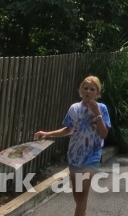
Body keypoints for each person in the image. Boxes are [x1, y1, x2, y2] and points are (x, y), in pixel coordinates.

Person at [34, 76, 111, 216]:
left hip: (92, 154)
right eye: (85, 88)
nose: (88, 91)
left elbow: (103, 134)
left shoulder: (102, 109)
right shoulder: (74, 108)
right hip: (75, 154)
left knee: (84, 188)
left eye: (92, 89)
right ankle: (82, 212)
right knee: (78, 192)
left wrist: (97, 114)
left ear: (97, 93)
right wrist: (47, 133)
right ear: (80, 90)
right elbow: (68, 130)